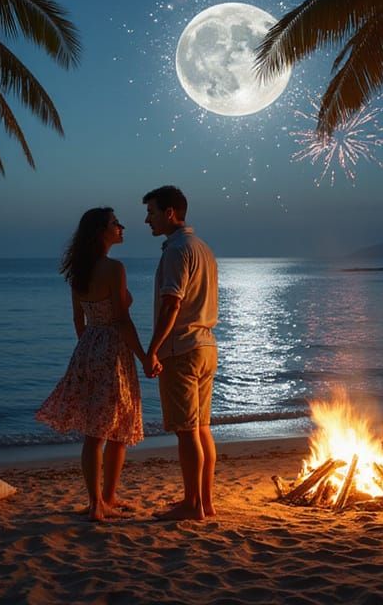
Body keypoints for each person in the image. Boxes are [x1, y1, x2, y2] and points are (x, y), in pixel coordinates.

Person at [36, 207, 146, 521]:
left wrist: (89, 348)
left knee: (104, 430)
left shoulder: (78, 270)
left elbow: (78, 320)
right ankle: (99, 504)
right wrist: (144, 356)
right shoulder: (114, 268)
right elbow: (123, 320)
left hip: (88, 348)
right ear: (102, 231)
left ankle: (104, 498)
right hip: (113, 349)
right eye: (115, 223)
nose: (121, 227)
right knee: (109, 430)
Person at [142, 185, 218, 521]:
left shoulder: (176, 251)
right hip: (206, 345)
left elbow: (172, 303)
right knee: (201, 428)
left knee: (188, 431)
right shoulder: (203, 248)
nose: (148, 219)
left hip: (182, 347)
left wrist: (152, 349)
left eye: (153, 212)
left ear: (170, 213)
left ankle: (192, 505)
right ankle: (205, 502)